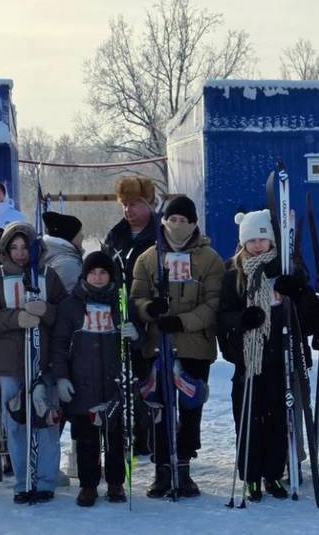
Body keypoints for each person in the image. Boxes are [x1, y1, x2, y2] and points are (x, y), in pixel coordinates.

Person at [216, 209, 319, 500]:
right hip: (249, 362)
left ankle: (274, 475)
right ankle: (250, 476)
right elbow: (222, 317)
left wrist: (298, 290)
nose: (258, 245)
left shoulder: (285, 270)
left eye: (263, 238)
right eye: (251, 240)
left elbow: (310, 316)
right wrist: (241, 321)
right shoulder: (233, 275)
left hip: (281, 360)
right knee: (249, 420)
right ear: (243, 242)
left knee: (278, 422)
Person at [131, 195, 224, 498]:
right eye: (173, 220)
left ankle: (183, 467)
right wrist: (150, 309)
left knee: (190, 407)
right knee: (159, 409)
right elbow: (136, 298)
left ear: (194, 223)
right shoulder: (148, 258)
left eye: (184, 220)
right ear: (164, 222)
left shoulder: (209, 259)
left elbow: (214, 303)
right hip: (157, 346)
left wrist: (183, 321)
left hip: (195, 346)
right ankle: (161, 469)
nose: (178, 225)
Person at [0, 221, 67, 503]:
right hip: (10, 362)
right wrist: (16, 318)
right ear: (5, 248)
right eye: (13, 247)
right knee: (16, 422)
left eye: (24, 247)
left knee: (47, 421)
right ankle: (23, 480)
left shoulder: (48, 276)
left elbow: (65, 315)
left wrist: (47, 312)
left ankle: (46, 480)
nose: (19, 253)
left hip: (44, 360)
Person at [49, 252, 137, 506]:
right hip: (82, 382)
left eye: (103, 273)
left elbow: (138, 344)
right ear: (85, 275)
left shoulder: (121, 302)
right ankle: (88, 485)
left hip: (114, 383)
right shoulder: (71, 305)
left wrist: (134, 335)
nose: (98, 278)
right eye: (93, 273)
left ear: (111, 276)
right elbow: (59, 343)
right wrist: (61, 377)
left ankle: (116, 482)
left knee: (116, 437)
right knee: (85, 438)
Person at [102, 176, 158, 456]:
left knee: (149, 379)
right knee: (123, 378)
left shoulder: (160, 234)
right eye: (124, 205)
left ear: (148, 203)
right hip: (120, 313)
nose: (128, 211)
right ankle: (127, 431)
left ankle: (149, 434)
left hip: (150, 315)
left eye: (134, 204)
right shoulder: (116, 236)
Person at [42, 211, 84, 293]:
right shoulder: (67, 264)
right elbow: (68, 298)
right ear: (70, 236)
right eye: (79, 233)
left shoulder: (54, 256)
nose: (83, 236)